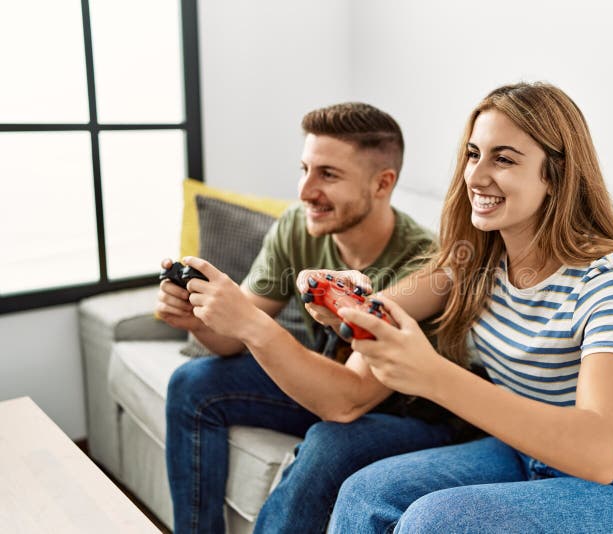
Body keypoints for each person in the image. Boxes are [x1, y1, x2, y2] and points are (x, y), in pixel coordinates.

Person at [309, 83, 613, 533]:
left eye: (503, 159)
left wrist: (433, 376)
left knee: (437, 521)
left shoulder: (609, 279)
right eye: (472, 154)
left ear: (555, 176)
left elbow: (598, 453)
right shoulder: (476, 260)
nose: (477, 176)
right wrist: (332, 292)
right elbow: (377, 308)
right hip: (519, 452)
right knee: (366, 492)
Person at [157, 103, 464, 534]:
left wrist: (247, 322)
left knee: (330, 443)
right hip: (332, 382)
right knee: (192, 383)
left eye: (328, 175)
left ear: (383, 183)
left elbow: (348, 402)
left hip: (411, 415)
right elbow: (229, 340)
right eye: (305, 169)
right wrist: (199, 316)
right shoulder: (297, 227)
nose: (305, 191)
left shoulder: (422, 266)